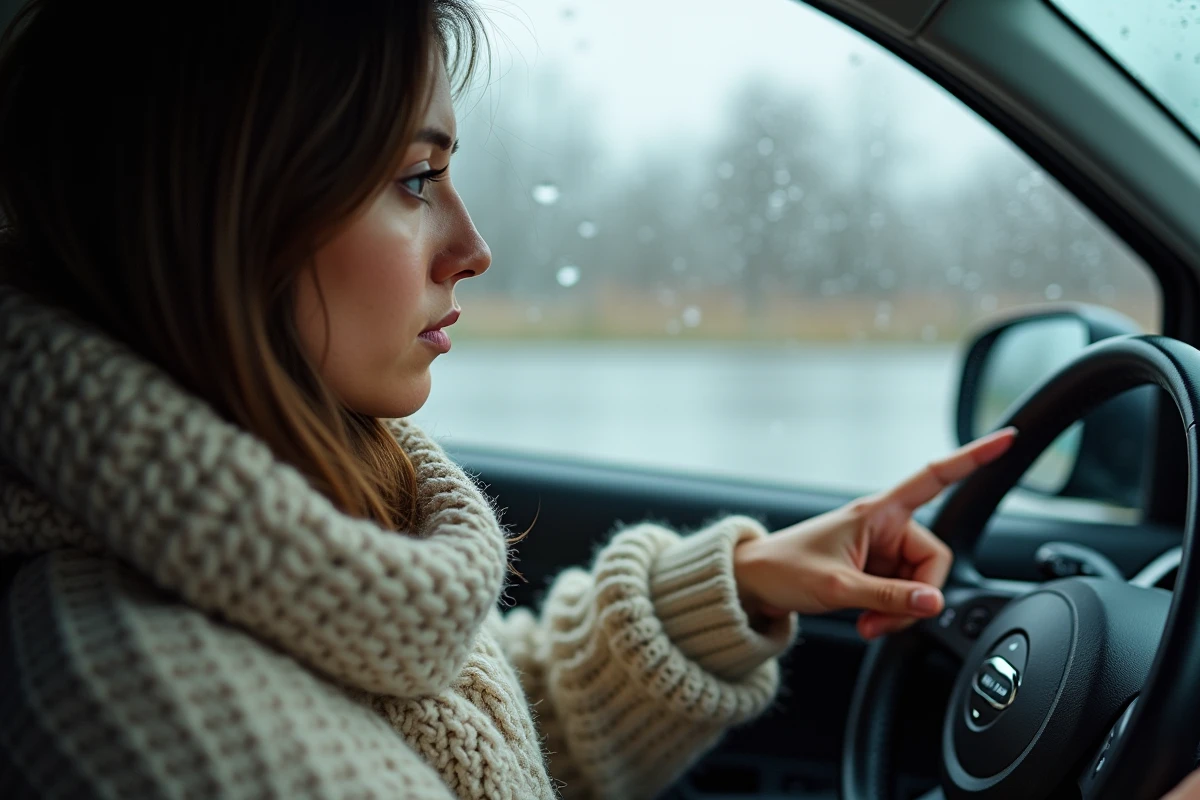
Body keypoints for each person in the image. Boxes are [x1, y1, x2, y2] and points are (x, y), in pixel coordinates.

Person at [0, 1, 1189, 799]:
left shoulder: (280, 572)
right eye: (417, 179)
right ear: (223, 220)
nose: (472, 245)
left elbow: (478, 738)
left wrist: (742, 582)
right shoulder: (144, 706)